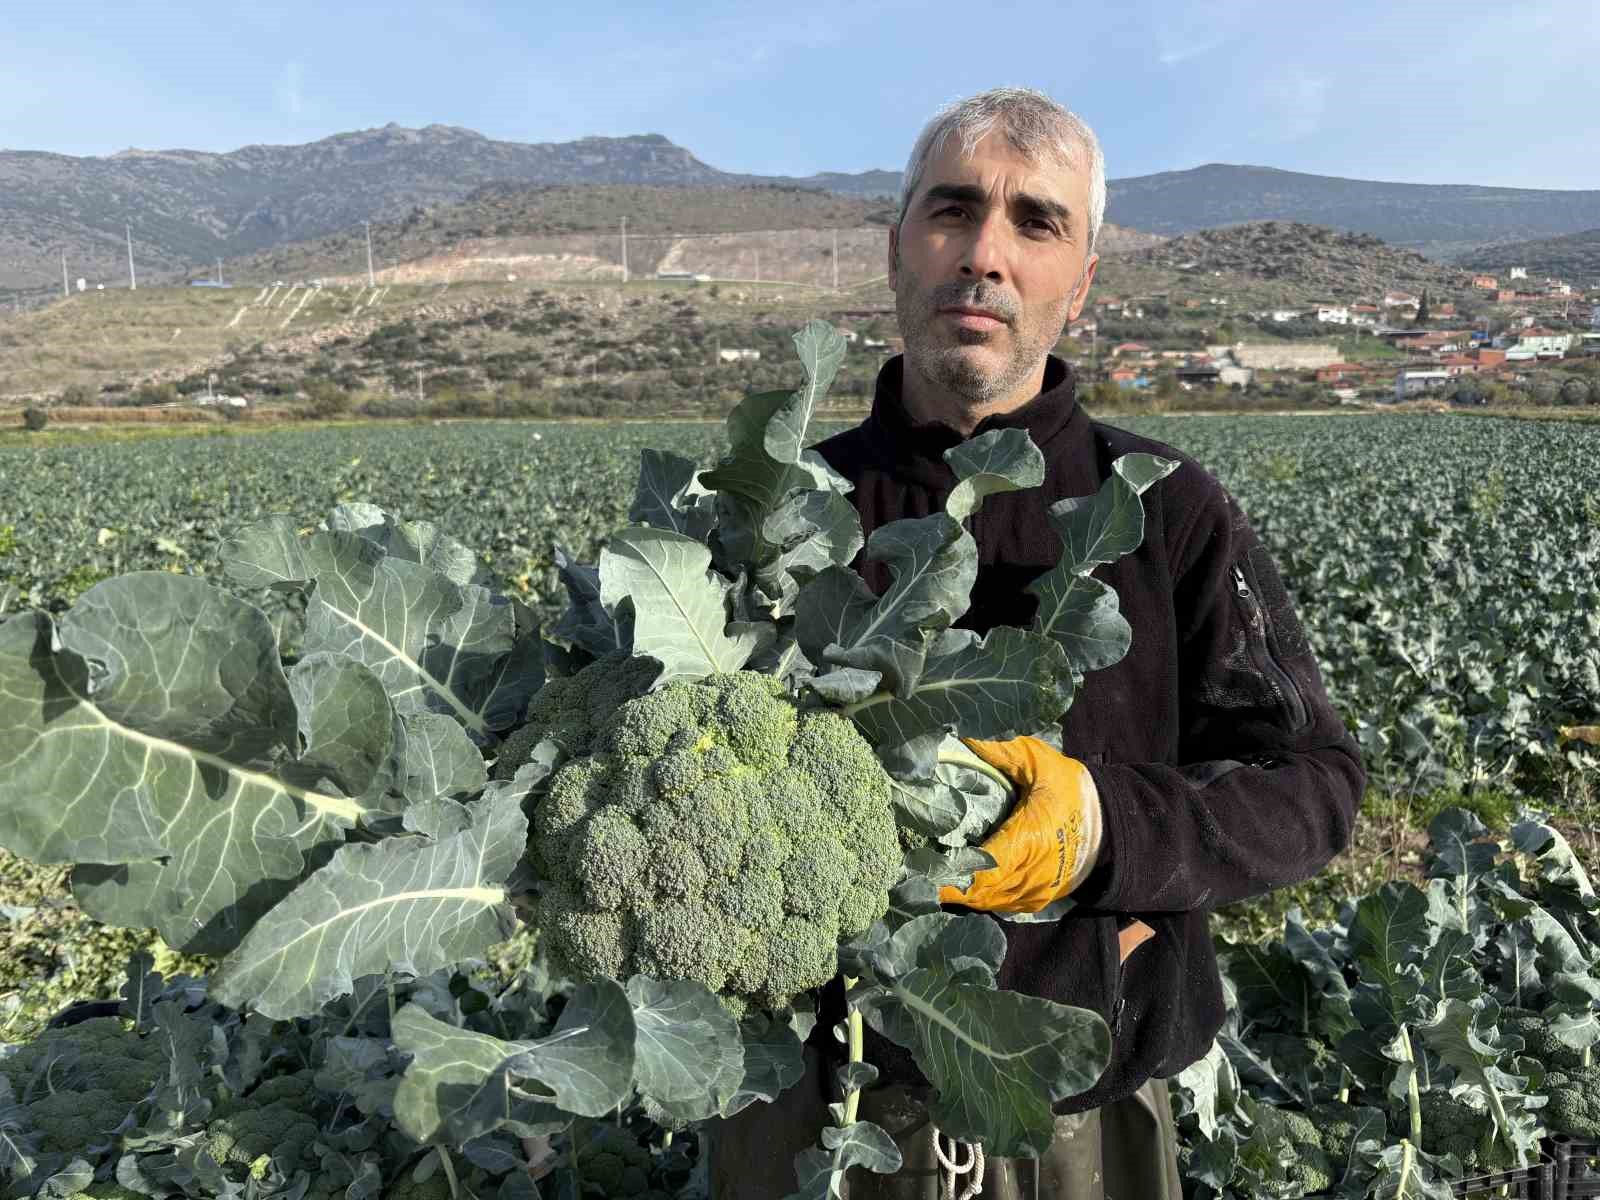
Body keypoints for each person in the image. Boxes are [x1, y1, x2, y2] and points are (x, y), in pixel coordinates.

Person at [708, 87, 1365, 1199]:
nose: (985, 256)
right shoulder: (770, 505)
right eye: (952, 212)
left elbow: (1314, 785)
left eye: (1037, 223)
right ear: (896, 246)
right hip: (802, 1110)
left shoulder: (1162, 508)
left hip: (1074, 1129)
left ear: (1084, 280)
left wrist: (1110, 825)